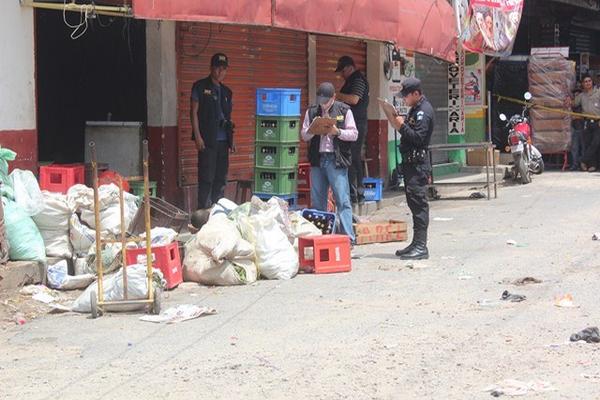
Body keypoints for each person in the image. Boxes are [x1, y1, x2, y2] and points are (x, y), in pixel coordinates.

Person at [300, 82, 358, 243]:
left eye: (326, 99)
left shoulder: (344, 110)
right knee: (318, 200)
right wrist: (313, 130)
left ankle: (348, 238)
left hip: (336, 160)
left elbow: (354, 134)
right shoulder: (312, 111)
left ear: (333, 97)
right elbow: (304, 135)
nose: (323, 103)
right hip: (318, 160)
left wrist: (337, 132)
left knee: (342, 199)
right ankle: (322, 236)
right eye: (321, 99)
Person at [387, 77, 435, 260]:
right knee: (413, 204)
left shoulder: (424, 111)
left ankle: (421, 247)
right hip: (410, 164)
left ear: (416, 93)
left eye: (406, 96)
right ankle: (416, 243)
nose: (404, 99)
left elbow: (419, 138)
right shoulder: (416, 109)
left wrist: (400, 125)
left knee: (419, 204)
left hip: (418, 166)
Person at [190, 53, 235, 209]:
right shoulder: (200, 87)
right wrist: (197, 136)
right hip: (207, 141)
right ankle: (202, 213)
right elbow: (194, 112)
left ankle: (217, 213)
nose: (220, 72)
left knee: (221, 179)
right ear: (211, 68)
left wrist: (231, 140)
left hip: (223, 142)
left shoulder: (227, 92)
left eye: (223, 69)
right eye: (217, 68)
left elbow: (228, 116)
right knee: (206, 177)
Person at [335, 56, 370, 206]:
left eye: (343, 71)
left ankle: (357, 193)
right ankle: (352, 193)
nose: (341, 75)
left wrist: (336, 95)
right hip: (349, 124)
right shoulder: (350, 80)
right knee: (350, 158)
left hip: (357, 124)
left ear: (349, 68)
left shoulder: (358, 80)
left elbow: (354, 99)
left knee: (353, 158)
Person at [573, 74, 600, 172]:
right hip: (587, 123)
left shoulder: (598, 93)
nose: (588, 83)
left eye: (589, 81)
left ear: (592, 82)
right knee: (589, 144)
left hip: (598, 122)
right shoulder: (581, 96)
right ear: (582, 84)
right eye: (585, 81)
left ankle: (582, 160)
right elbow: (574, 103)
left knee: (596, 143)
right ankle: (592, 165)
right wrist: (568, 100)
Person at [570, 86, 585, 171]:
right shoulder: (572, 105)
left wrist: (577, 117)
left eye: (578, 93)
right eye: (575, 94)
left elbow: (585, 114)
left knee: (583, 147)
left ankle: (582, 164)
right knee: (574, 148)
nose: (576, 95)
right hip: (574, 127)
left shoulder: (583, 103)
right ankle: (575, 164)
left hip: (583, 127)